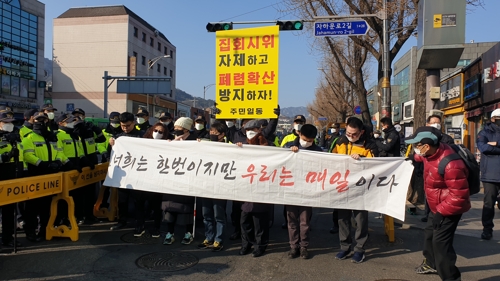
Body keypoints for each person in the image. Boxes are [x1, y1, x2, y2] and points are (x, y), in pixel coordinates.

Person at [405, 126, 470, 280]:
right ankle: (431, 264)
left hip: (449, 209)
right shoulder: (430, 153)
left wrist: (441, 212)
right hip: (436, 206)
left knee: (441, 245)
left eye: (416, 145)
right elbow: (421, 157)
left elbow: (459, 195)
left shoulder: (451, 164)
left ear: (426, 146)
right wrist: (412, 158)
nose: (415, 149)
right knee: (429, 235)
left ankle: (451, 277)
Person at [332, 117, 378, 263]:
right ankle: (345, 247)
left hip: (360, 188)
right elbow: (329, 159)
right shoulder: (340, 141)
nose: (350, 136)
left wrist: (362, 158)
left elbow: (377, 163)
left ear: (361, 132)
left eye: (354, 134)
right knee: (342, 219)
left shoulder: (369, 144)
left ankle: (359, 249)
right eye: (348, 133)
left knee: (360, 219)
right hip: (343, 186)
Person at [22, 112, 71, 242]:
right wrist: (42, 164)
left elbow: (60, 151)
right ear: (33, 121)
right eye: (38, 120)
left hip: (51, 176)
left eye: (44, 120)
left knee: (47, 206)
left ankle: (45, 230)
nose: (41, 123)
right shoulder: (29, 138)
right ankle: (30, 232)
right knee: (32, 207)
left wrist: (57, 162)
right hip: (35, 175)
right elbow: (27, 155)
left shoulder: (52, 137)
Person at [284, 124, 323, 259]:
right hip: (291, 189)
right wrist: (289, 151)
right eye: (305, 139)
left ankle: (304, 247)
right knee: (292, 221)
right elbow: (279, 158)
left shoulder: (318, 151)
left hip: (307, 191)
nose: (307, 143)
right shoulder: (288, 146)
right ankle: (293, 246)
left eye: (310, 141)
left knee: (304, 221)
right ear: (299, 134)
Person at [236, 119, 272, 258]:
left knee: (259, 222)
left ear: (259, 131)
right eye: (247, 131)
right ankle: (246, 244)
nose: (250, 133)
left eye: (253, 130)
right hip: (246, 188)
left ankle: (260, 245)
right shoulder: (243, 146)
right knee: (244, 220)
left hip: (261, 189)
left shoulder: (268, 146)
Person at [162, 117, 197, 245]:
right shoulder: (170, 140)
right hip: (171, 179)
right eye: (175, 128)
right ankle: (169, 233)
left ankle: (188, 233)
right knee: (169, 206)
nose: (175, 130)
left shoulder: (195, 140)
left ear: (186, 129)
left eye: (178, 128)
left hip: (187, 179)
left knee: (186, 207)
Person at [109, 112, 144, 230]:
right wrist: (111, 145)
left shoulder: (142, 136)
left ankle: (139, 222)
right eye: (123, 126)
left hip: (137, 173)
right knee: (122, 200)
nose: (125, 128)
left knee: (138, 200)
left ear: (133, 123)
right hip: (122, 174)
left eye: (128, 125)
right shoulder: (118, 137)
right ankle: (122, 221)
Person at [133, 122, 169, 238]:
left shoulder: (167, 144)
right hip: (141, 179)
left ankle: (156, 227)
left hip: (157, 180)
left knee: (156, 205)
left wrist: (171, 144)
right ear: (151, 130)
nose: (157, 133)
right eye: (155, 130)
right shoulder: (142, 142)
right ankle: (140, 225)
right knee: (139, 204)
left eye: (161, 132)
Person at [197, 121, 229, 252]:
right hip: (206, 186)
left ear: (222, 135)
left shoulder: (229, 146)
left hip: (220, 187)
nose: (212, 134)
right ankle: (208, 238)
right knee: (206, 214)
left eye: (215, 133)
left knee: (219, 215)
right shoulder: (205, 144)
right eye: (211, 132)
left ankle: (219, 240)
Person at [71, 108, 106, 224]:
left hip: (92, 163)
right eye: (75, 116)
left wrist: (96, 130)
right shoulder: (74, 131)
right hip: (81, 165)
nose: (78, 117)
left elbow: (102, 139)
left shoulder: (89, 130)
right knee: (79, 194)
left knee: (91, 193)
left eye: (79, 115)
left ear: (84, 116)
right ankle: (79, 216)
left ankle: (90, 215)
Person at [0, 112, 24, 247]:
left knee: (9, 209)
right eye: (6, 122)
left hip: (10, 173)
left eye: (11, 122)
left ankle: (8, 237)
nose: (9, 125)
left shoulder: (12, 136)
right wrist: (4, 157)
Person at [477, 108, 500, 241]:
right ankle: (487, 229)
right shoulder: (484, 132)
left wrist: (496, 144)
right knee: (488, 203)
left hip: (492, 172)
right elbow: (484, 147)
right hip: (490, 175)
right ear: (492, 119)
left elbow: (489, 147)